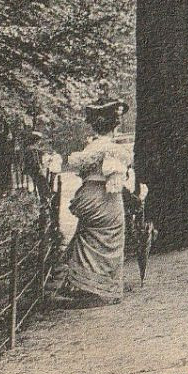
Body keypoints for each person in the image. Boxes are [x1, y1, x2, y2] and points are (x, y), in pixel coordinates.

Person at [55, 95, 133, 306]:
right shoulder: (114, 150)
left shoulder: (89, 149)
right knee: (110, 237)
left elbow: (82, 171)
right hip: (105, 197)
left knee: (88, 237)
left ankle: (83, 286)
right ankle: (101, 289)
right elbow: (116, 180)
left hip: (88, 194)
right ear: (114, 126)